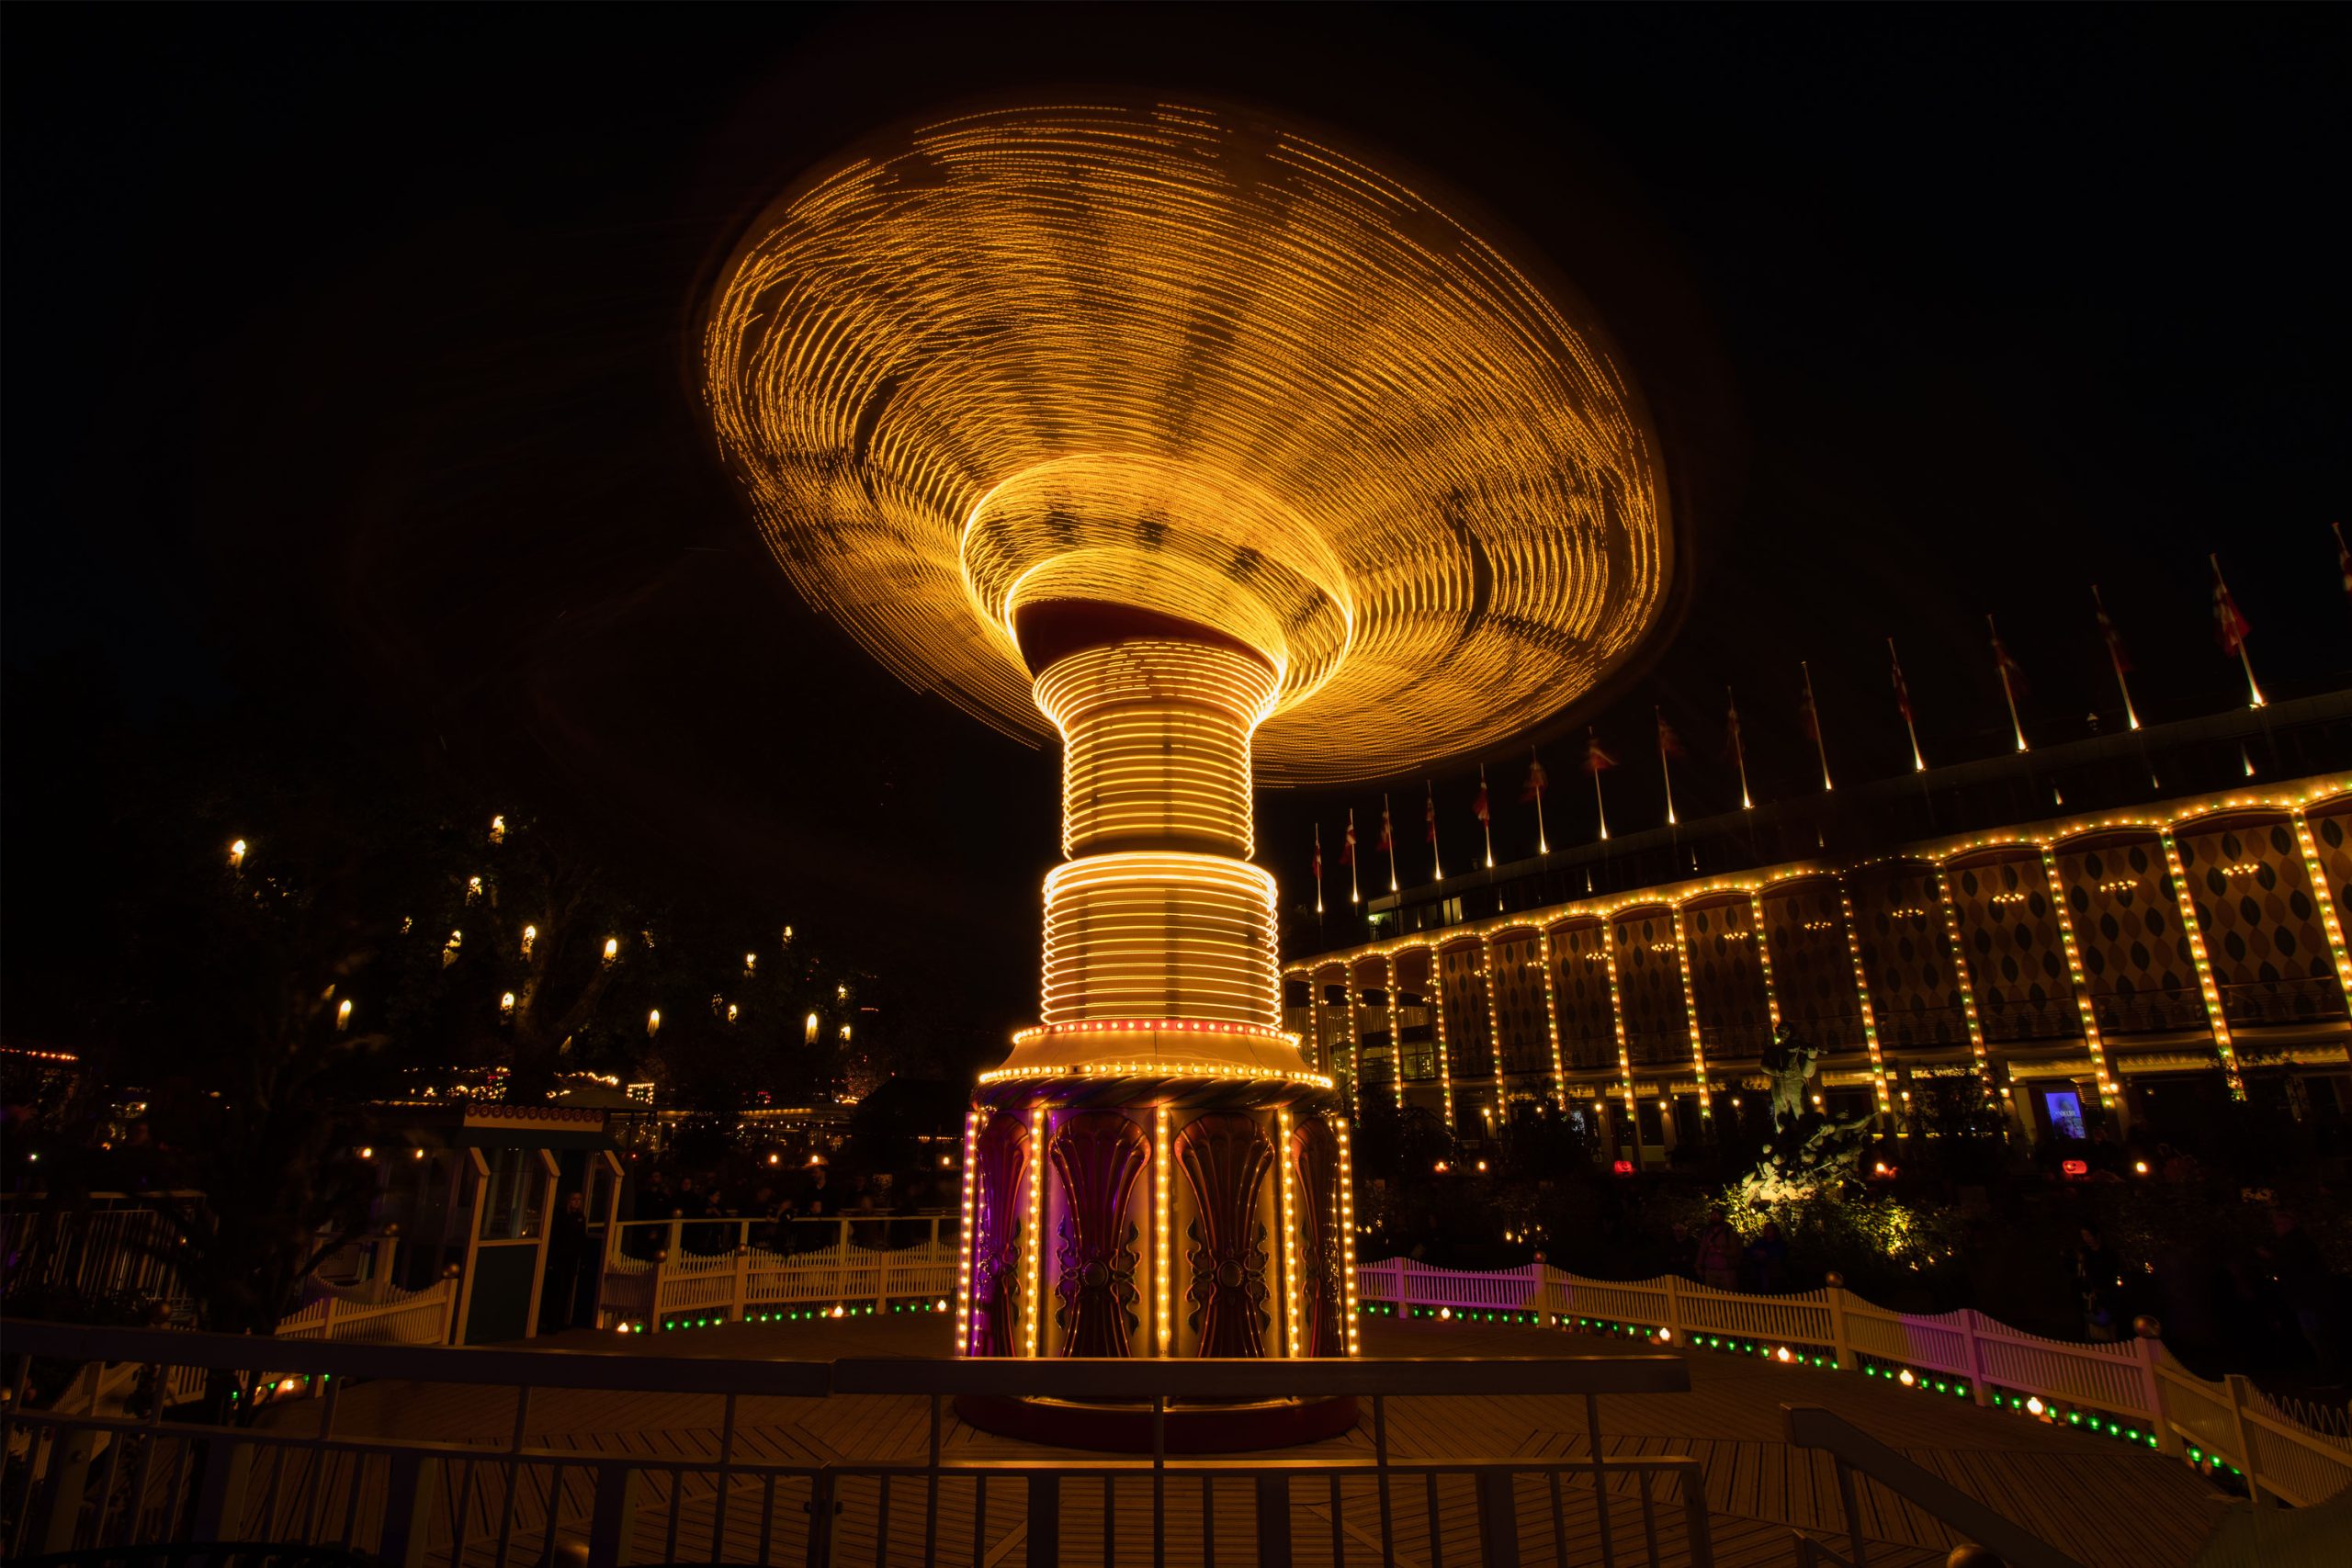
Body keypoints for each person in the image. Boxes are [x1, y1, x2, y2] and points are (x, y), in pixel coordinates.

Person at [542, 1191, 590, 1333]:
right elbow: (556, 1236)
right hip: (559, 1257)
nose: (576, 1202)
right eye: (574, 1199)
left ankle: (560, 1320)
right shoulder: (561, 1216)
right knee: (556, 1290)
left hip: (571, 1258)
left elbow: (581, 1238)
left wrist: (582, 1258)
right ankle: (551, 1322)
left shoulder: (580, 1217)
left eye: (579, 1200)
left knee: (566, 1290)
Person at [2073, 1225, 2124, 1341]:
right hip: (2090, 1296)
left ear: (2096, 1235)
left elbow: (2112, 1272)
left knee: (2108, 1325)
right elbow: (2081, 1274)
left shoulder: (2108, 1254)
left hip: (2107, 1295)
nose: (2086, 1239)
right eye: (2084, 1236)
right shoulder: (2085, 1253)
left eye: (2088, 1235)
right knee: (2092, 1326)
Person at [1694, 1210, 1741, 1292]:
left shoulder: (1729, 1233)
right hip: (1711, 1270)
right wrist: (1698, 1265)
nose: (1714, 1217)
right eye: (1712, 1215)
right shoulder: (1707, 1233)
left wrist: (1718, 1250)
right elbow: (1702, 1249)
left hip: (1726, 1271)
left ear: (1722, 1217)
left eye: (1716, 1215)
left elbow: (1736, 1251)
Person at [1747, 1221, 1790, 1293]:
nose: (1767, 1231)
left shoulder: (1779, 1244)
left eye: (1769, 1230)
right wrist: (1756, 1253)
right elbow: (1749, 1251)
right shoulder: (1759, 1242)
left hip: (1773, 1273)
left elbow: (1779, 1256)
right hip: (1757, 1272)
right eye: (1766, 1229)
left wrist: (1767, 1255)